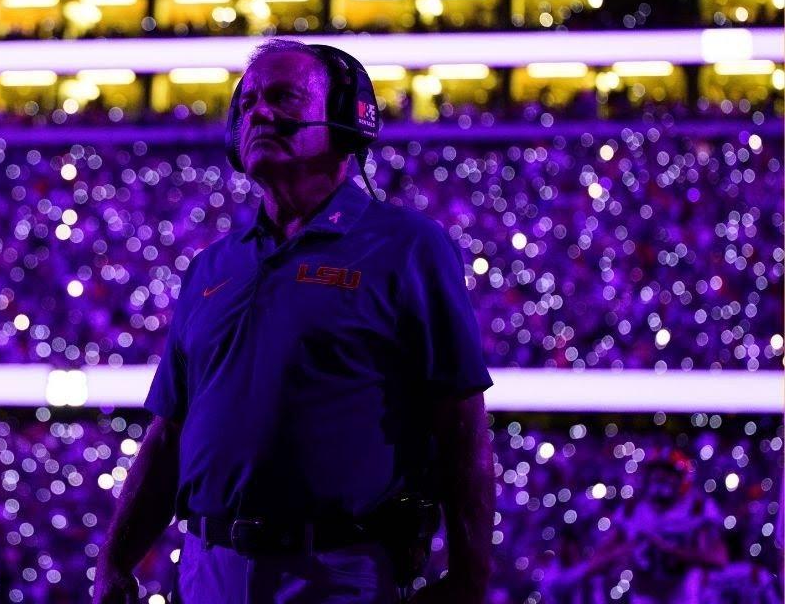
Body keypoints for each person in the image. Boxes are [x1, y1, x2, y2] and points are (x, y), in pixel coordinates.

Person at [93, 38, 496, 604]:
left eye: (282, 97)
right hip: (208, 569)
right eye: (248, 101)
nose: (258, 112)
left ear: (346, 117)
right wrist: (115, 558)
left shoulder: (407, 247)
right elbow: (170, 435)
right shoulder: (214, 263)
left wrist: (471, 578)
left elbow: (462, 430)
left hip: (337, 573)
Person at [585, 448, 728, 604]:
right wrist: (625, 551)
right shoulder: (632, 509)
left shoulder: (697, 508)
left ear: (682, 478)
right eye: (656, 474)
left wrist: (673, 551)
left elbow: (719, 559)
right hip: (643, 596)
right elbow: (596, 562)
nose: (660, 480)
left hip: (684, 596)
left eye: (668, 475)